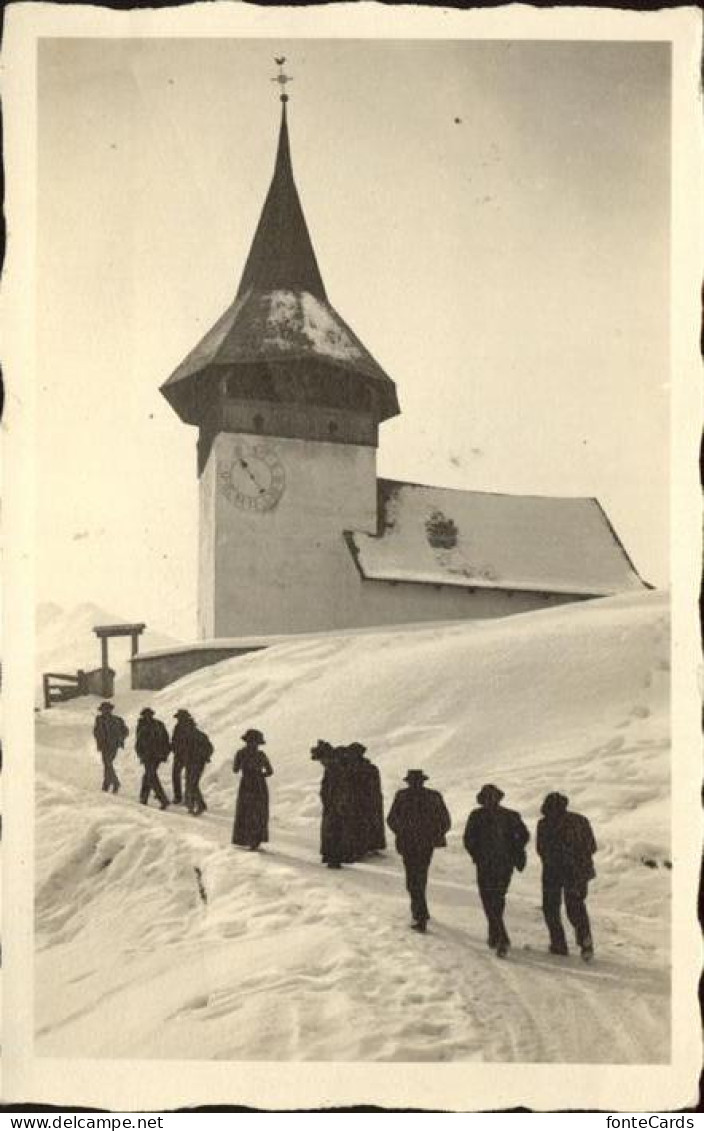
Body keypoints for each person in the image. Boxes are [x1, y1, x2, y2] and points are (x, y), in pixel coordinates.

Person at [463, 784, 529, 958]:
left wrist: (477, 854)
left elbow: (468, 839)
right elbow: (524, 836)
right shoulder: (511, 815)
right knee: (497, 898)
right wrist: (514, 851)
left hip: (486, 864)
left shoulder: (477, 816)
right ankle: (495, 934)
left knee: (489, 899)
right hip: (505, 864)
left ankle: (501, 937)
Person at [387, 769, 451, 933]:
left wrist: (402, 832)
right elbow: (445, 821)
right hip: (425, 844)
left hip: (409, 843)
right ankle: (422, 911)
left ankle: (420, 915)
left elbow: (391, 819)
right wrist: (434, 834)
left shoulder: (402, 796)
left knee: (413, 879)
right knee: (420, 876)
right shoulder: (433, 796)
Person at [537, 792, 597, 961]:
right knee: (576, 906)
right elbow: (592, 846)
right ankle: (585, 940)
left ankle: (559, 944)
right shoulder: (580, 820)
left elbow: (541, 849)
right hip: (579, 872)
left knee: (551, 908)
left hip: (553, 871)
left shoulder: (544, 824)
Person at [232, 728, 273, 849]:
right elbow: (270, 771)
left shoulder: (240, 753)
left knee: (246, 811)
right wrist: (260, 775)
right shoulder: (261, 755)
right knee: (258, 812)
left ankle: (246, 838)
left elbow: (235, 769)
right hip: (259, 785)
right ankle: (256, 839)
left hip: (246, 784)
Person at [346, 742, 386, 857]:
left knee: (360, 823)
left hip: (361, 801)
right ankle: (367, 845)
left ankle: (363, 846)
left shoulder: (354, 768)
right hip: (366, 800)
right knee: (363, 823)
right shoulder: (370, 768)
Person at [135, 707, 171, 809]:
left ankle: (163, 799)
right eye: (146, 715)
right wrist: (140, 754)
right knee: (148, 775)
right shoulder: (142, 725)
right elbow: (139, 741)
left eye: (149, 715)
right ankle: (144, 797)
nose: (148, 717)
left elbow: (165, 739)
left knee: (151, 776)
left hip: (156, 755)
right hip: (148, 755)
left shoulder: (158, 724)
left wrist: (165, 753)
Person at [92, 701, 129, 794]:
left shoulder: (117, 720)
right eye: (104, 710)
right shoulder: (99, 720)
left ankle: (114, 783)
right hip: (104, 746)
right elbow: (96, 731)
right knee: (107, 764)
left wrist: (120, 738)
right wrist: (99, 739)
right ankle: (107, 784)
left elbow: (125, 731)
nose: (105, 711)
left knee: (108, 763)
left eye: (107, 709)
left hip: (113, 745)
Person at [184, 718, 214, 816]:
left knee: (192, 784)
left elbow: (209, 748)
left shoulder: (199, 736)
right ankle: (192, 805)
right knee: (191, 783)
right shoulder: (192, 736)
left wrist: (204, 757)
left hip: (197, 763)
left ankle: (200, 805)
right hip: (191, 763)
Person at [170, 709, 193, 805]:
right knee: (188, 777)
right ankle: (188, 797)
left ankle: (178, 797)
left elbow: (175, 741)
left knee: (176, 775)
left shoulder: (179, 727)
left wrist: (174, 748)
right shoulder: (192, 726)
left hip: (181, 755)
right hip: (189, 755)